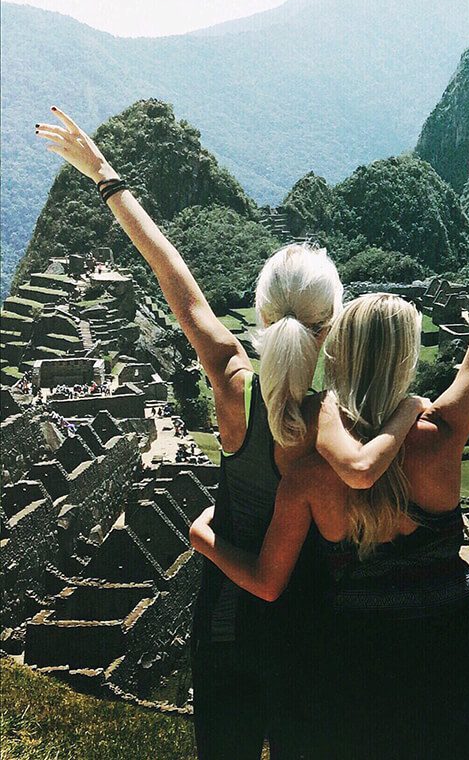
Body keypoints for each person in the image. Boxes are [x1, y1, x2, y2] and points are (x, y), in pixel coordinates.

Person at [37, 107, 424, 760]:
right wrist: (407, 411)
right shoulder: (331, 415)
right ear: (331, 323)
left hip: (225, 620)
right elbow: (361, 479)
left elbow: (173, 277)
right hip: (307, 626)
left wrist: (104, 174)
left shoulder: (233, 382)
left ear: (263, 313)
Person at [190, 142, 469, 759]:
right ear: (407, 360)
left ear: (339, 355)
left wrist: (205, 537)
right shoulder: (438, 439)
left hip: (351, 680)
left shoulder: (309, 473)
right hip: (446, 671)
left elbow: (270, 579)